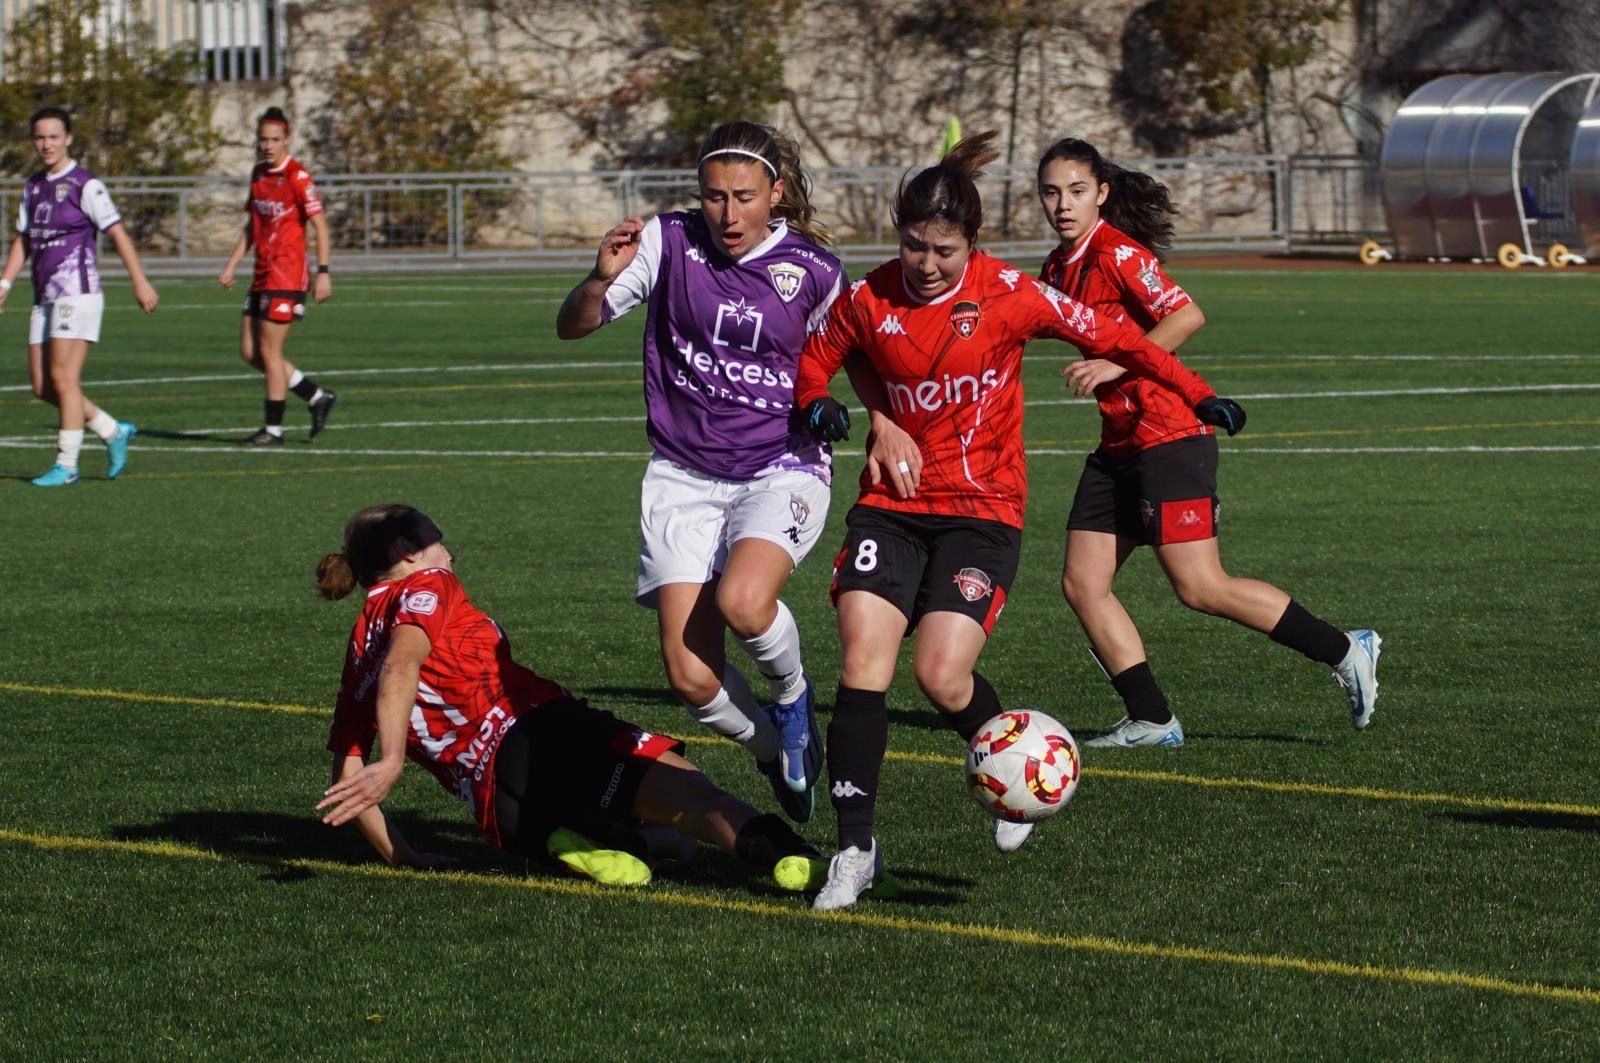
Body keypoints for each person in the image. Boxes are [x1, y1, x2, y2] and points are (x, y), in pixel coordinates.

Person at [793, 132, 1244, 910]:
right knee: (863, 660)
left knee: (940, 674)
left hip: (981, 512)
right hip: (892, 506)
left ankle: (1013, 759)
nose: (925, 263)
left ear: (973, 243)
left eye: (943, 249)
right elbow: (820, 356)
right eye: (912, 245)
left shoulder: (1011, 293)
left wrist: (1197, 391)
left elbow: (1118, 337)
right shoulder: (870, 297)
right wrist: (855, 413)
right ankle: (854, 848)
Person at [1035, 138, 1381, 751]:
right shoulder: (1058, 268)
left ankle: (1345, 649)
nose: (1063, 204)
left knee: (1200, 588)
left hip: (1170, 437)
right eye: (1052, 192)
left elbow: (1187, 315)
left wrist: (1119, 364)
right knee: (1082, 585)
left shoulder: (1121, 254)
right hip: (1119, 445)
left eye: (1077, 190)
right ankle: (1152, 718)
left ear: (1102, 194)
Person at [554, 121, 846, 824]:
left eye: (744, 196)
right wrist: (599, 277)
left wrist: (862, 414)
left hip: (779, 465)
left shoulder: (813, 270)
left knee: (747, 602)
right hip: (683, 475)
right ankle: (775, 749)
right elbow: (573, 324)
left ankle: (793, 693)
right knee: (689, 674)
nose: (728, 214)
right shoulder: (666, 242)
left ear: (775, 192)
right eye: (714, 197)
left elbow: (852, 353)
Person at [314, 504, 826, 890]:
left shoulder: (357, 652)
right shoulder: (427, 585)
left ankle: (600, 841)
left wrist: (402, 856)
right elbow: (404, 661)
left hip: (499, 811)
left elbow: (346, 781)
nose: (448, 549)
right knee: (697, 797)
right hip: (540, 738)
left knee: (679, 847)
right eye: (437, 537)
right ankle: (798, 857)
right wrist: (395, 758)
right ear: (408, 550)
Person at [0, 106, 158, 487]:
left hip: (78, 293)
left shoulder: (86, 185)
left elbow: (117, 234)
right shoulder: (33, 186)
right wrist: (5, 283)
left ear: (68, 138)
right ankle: (111, 430)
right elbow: (24, 239)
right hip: (44, 297)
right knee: (44, 387)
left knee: (63, 378)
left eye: (54, 136)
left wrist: (140, 280)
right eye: (39, 137)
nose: (46, 144)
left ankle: (66, 465)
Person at [218, 106, 337, 446]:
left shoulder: (298, 177)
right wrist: (231, 265)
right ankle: (315, 396)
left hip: (286, 274)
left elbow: (320, 226)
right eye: (263, 139)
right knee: (249, 352)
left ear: (287, 140)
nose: (268, 145)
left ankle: (273, 430)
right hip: (261, 273)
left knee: (270, 353)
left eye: (274, 139)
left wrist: (323, 272)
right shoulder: (258, 175)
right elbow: (252, 226)